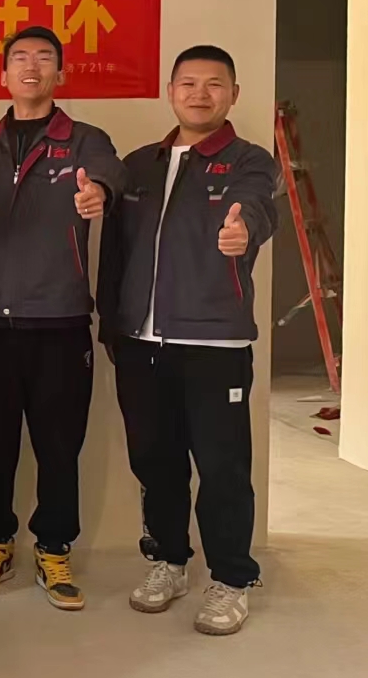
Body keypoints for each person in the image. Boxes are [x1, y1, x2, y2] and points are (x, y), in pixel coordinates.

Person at [0, 26, 127, 611]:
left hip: (60, 321)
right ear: (3, 75)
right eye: (20, 57)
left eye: (45, 58)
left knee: (58, 446)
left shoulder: (86, 142)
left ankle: (53, 548)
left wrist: (98, 194)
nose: (32, 66)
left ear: (60, 74)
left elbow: (110, 175)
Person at [99, 45, 280, 636]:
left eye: (214, 84)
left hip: (213, 345)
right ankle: (169, 561)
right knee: (155, 460)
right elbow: (115, 253)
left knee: (222, 466)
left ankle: (231, 577)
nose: (200, 94)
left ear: (233, 94)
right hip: (140, 342)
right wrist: (113, 326)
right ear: (171, 91)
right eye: (188, 83)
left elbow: (258, 208)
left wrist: (244, 230)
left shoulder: (250, 160)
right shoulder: (138, 165)